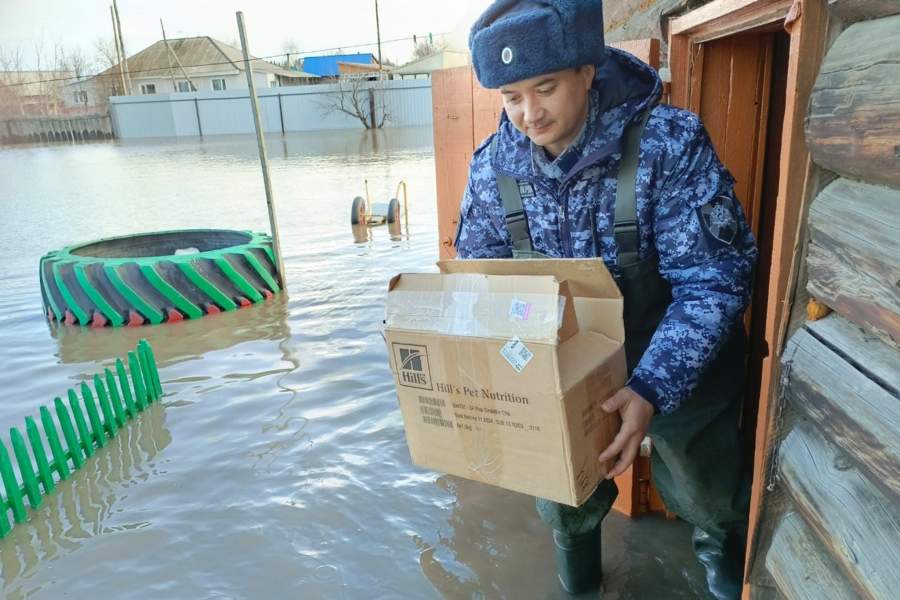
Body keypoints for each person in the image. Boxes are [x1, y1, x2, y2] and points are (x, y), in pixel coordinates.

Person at [457, 1, 758, 598]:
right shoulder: (493, 167)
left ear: (587, 73)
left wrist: (650, 389)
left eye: (545, 88)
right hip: (561, 361)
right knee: (563, 496)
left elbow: (715, 277)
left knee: (707, 489)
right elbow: (477, 280)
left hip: (675, 350)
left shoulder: (669, 144)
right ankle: (580, 580)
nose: (529, 114)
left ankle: (724, 571)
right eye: (511, 97)